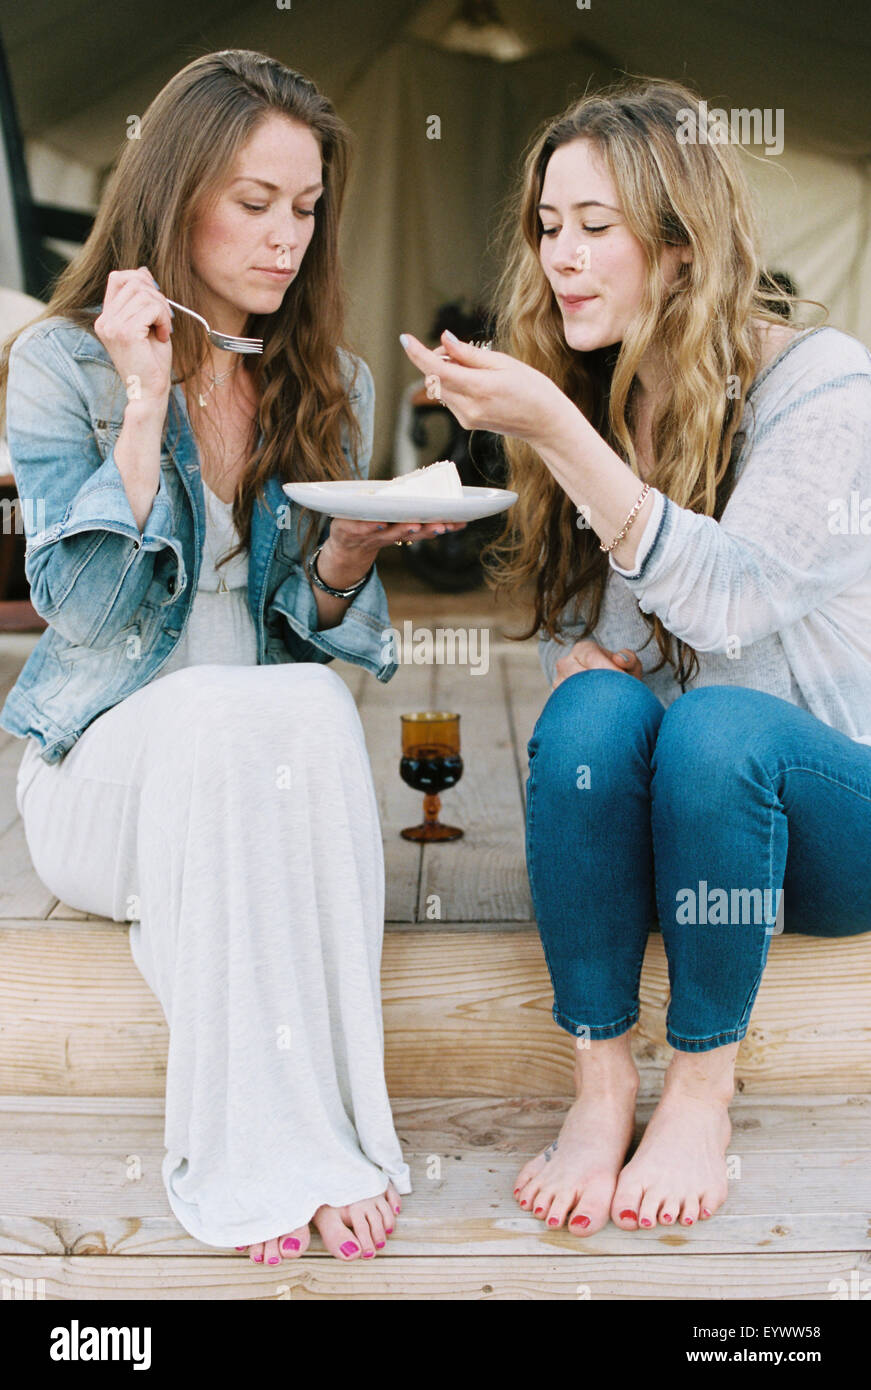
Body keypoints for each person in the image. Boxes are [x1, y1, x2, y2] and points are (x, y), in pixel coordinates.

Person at [0, 49, 467, 1267]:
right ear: (174, 192)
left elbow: (304, 633)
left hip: (246, 789)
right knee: (220, 711)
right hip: (101, 783)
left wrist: (355, 551)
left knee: (301, 695)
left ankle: (323, 1130)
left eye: (306, 209)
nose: (286, 238)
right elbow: (85, 611)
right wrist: (145, 402)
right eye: (254, 203)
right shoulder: (61, 365)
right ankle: (265, 1148)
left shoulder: (332, 382)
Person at [400, 76, 871, 1237]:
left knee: (717, 725)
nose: (562, 257)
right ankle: (602, 1079)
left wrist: (555, 432)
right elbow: (607, 650)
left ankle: (701, 1088)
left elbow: (726, 600)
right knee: (589, 722)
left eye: (595, 229)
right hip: (697, 833)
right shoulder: (614, 396)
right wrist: (588, 674)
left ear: (677, 245)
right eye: (548, 228)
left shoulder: (825, 388)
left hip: (829, 822)